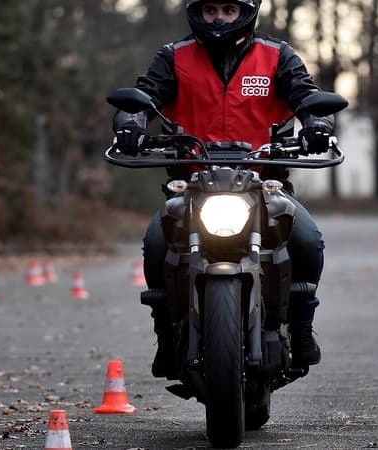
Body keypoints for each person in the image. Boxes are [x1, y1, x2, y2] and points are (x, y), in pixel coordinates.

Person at [112, 0, 335, 377]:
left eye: (229, 10)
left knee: (309, 241)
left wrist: (318, 125)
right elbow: (145, 95)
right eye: (211, 9)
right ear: (196, 12)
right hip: (192, 184)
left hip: (266, 183)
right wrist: (131, 123)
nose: (219, 19)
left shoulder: (277, 56)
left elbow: (306, 96)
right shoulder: (173, 56)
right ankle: (166, 336)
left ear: (246, 12)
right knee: (155, 243)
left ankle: (300, 329)